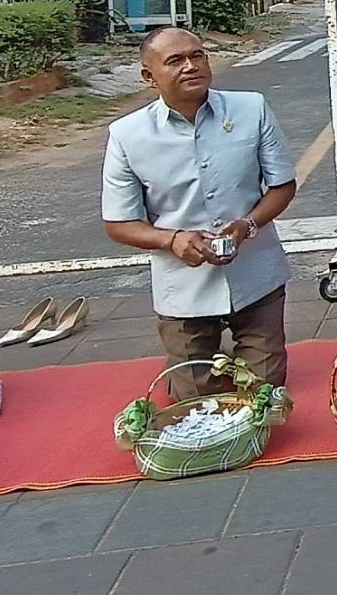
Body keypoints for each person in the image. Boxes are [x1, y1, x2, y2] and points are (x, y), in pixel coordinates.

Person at [102, 27, 296, 400]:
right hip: (183, 286)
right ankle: (196, 361)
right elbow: (118, 223)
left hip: (255, 273)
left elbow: (283, 185)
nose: (191, 66)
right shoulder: (127, 135)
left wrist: (247, 225)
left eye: (198, 55)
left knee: (264, 393)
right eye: (175, 61)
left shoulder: (251, 109)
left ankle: (244, 356)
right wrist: (172, 240)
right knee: (193, 398)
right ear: (149, 76)